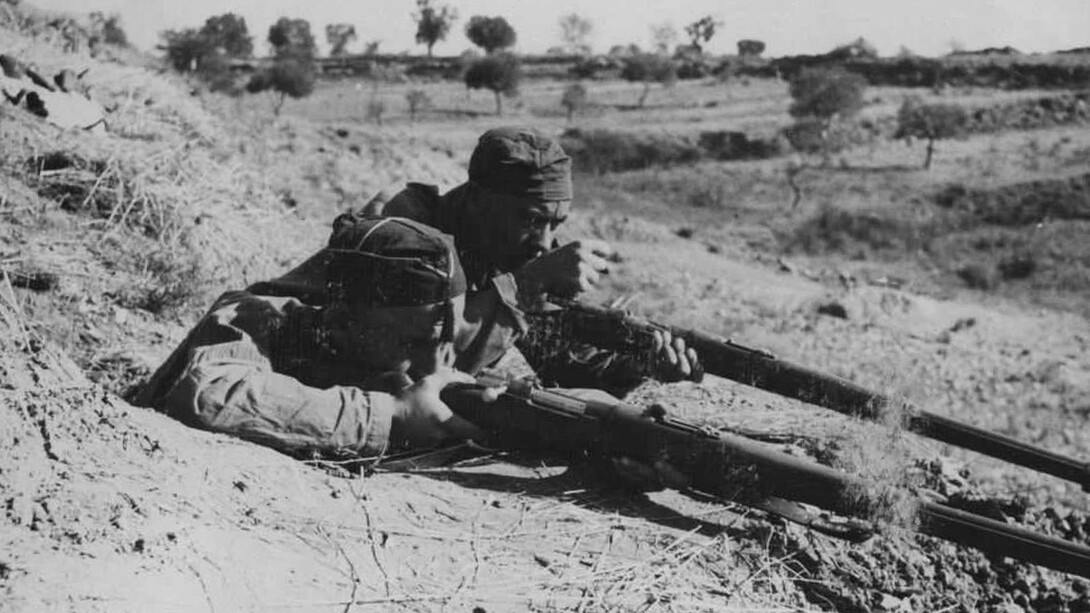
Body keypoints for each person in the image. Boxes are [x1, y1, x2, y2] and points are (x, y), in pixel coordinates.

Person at [341, 126, 701, 396]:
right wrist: (525, 285)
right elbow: (417, 368)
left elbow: (565, 364)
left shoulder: (513, 247)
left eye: (555, 224)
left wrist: (645, 364)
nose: (544, 243)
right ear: (479, 199)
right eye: (530, 220)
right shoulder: (403, 227)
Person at [134, 217, 488, 458]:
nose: (432, 367)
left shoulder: (383, 358)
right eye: (412, 342)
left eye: (447, 342)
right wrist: (390, 415)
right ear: (343, 316)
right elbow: (209, 394)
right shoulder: (254, 318)